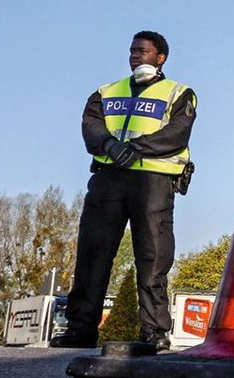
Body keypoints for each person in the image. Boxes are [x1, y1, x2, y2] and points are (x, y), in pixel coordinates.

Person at [53, 31, 197, 350]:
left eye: (143, 51)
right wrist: (109, 145)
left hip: (153, 181)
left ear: (160, 58)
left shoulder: (180, 93)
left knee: (153, 258)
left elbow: (177, 133)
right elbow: (91, 124)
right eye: (132, 50)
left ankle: (154, 332)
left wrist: (133, 148)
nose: (135, 56)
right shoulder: (105, 92)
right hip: (109, 179)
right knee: (93, 255)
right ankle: (80, 329)